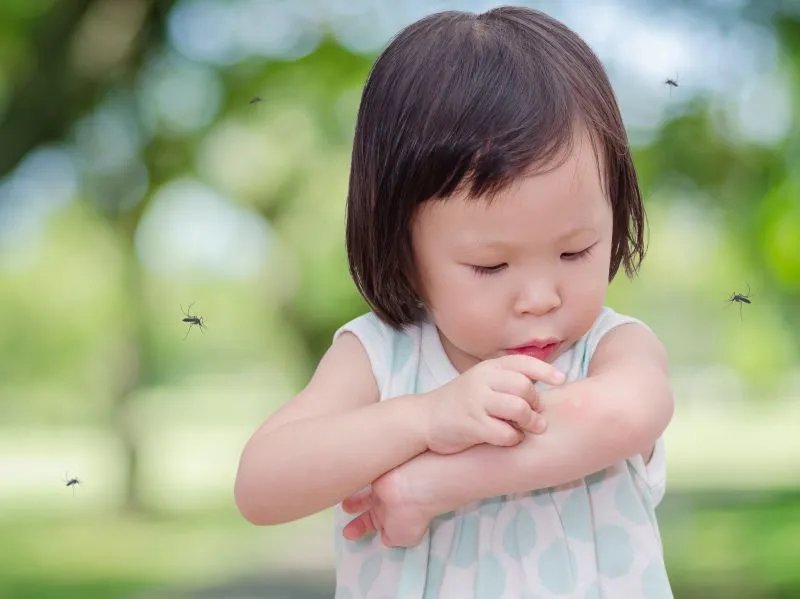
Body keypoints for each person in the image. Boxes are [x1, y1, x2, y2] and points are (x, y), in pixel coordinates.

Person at [235, 6, 674, 598]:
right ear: (402, 245)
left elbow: (625, 415)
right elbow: (261, 486)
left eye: (576, 252)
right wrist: (425, 418)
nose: (541, 298)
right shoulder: (380, 359)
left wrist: (436, 484)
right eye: (490, 266)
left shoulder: (609, 349)